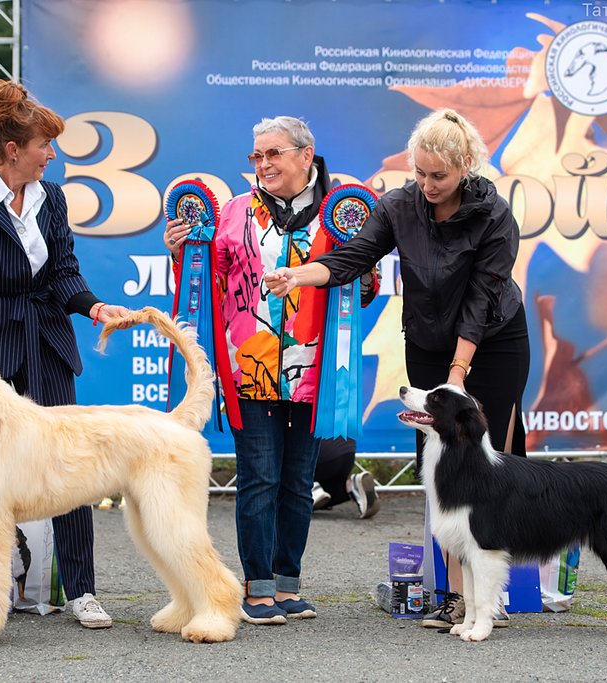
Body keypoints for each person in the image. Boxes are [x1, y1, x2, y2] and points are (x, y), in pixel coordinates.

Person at [264, 108, 530, 628]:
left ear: (466, 166)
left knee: (489, 467)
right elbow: (353, 257)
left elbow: (481, 300)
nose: (427, 185)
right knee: (442, 468)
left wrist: (459, 373)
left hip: (494, 341)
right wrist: (300, 275)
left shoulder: (495, 215)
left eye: (439, 176)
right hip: (428, 341)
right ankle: (455, 596)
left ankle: (491, 598)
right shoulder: (399, 207)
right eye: (420, 173)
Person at [0, 79, 134, 630]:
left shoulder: (53, 198)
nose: (52, 155)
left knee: (66, 464)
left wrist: (94, 307)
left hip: (46, 341)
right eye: (45, 145)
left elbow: (64, 272)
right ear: (13, 150)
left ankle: (82, 591)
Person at [164, 116, 341, 625]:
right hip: (250, 368)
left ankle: (288, 583)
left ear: (305, 155)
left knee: (298, 481)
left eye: (273, 153)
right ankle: (257, 588)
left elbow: (358, 284)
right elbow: (210, 281)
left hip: (313, 369)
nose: (263, 164)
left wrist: (365, 277)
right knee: (260, 479)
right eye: (256, 156)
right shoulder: (236, 211)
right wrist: (181, 254)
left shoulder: (337, 214)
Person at [312, 437, 380, 519]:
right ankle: (351, 487)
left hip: (321, 454)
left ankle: (310, 489)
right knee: (326, 492)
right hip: (347, 453)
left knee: (300, 493)